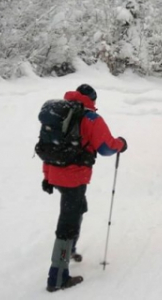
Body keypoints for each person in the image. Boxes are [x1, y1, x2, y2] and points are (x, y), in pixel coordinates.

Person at [42, 84, 127, 292]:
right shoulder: (90, 118)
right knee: (67, 223)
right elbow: (106, 147)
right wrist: (121, 144)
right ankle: (58, 276)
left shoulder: (58, 114)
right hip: (74, 176)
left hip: (55, 173)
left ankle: (69, 249)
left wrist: (47, 176)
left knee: (78, 208)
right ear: (92, 99)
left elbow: (48, 146)